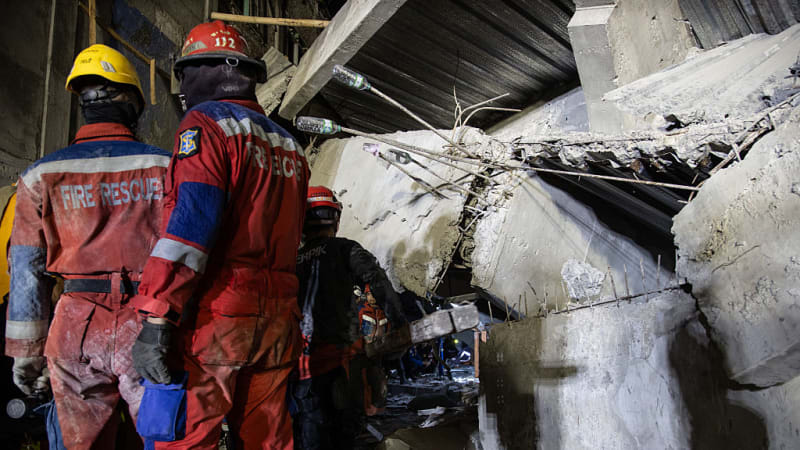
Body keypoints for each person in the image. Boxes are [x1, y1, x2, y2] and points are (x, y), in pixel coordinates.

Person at [129, 20, 309, 449]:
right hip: (279, 318)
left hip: (220, 315)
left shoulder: (205, 124)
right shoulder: (291, 146)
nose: (183, 87)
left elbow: (190, 227)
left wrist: (158, 314)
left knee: (187, 438)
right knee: (267, 440)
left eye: (187, 73)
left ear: (209, 70)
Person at [4, 44, 171, 448]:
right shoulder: (167, 167)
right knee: (164, 437)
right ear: (133, 102)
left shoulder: (41, 175)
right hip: (149, 323)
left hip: (76, 325)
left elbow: (27, 267)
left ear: (83, 102)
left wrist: (26, 351)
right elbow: (186, 254)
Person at [293, 186, 406, 449]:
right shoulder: (345, 250)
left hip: (299, 372)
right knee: (341, 436)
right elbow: (378, 282)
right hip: (339, 368)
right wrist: (400, 327)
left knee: (307, 436)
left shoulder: (290, 260)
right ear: (336, 219)